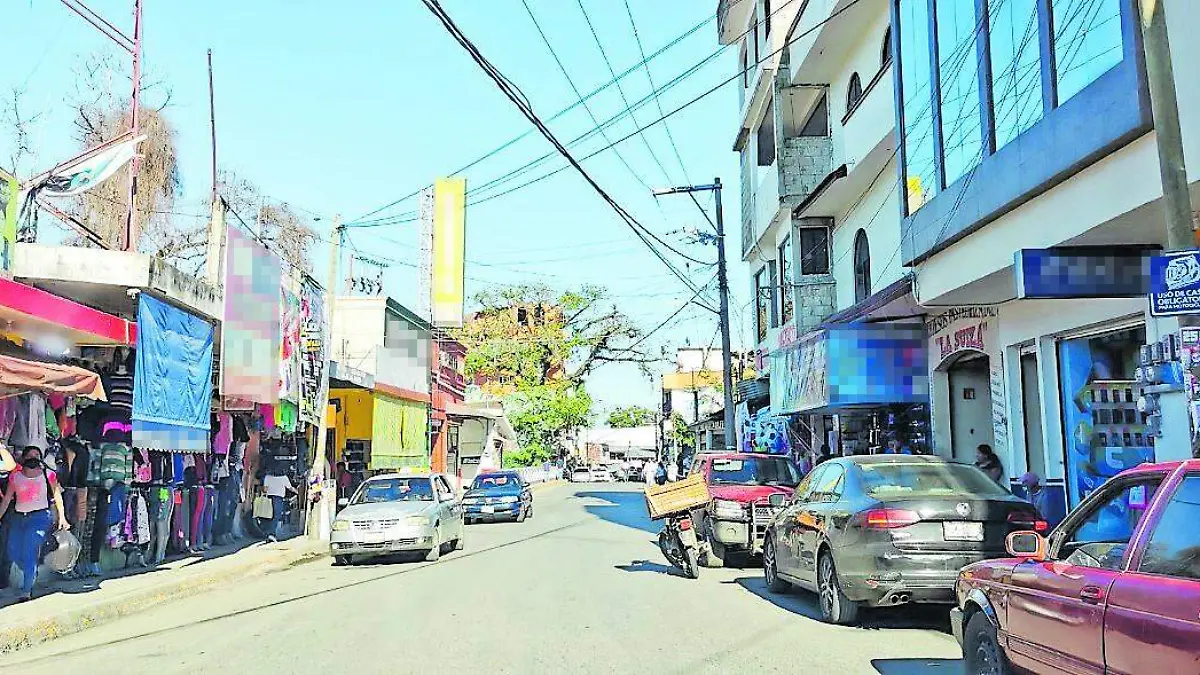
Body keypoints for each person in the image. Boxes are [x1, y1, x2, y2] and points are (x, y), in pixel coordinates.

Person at [0, 446, 69, 602]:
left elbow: (58, 497)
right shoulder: (15, 477)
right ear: (23, 458)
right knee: (12, 551)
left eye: (37, 455)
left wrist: (62, 517)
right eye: (30, 455)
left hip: (39, 518)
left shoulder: (48, 474)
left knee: (29, 551)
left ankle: (26, 590)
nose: (34, 458)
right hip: (18, 518)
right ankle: (30, 572)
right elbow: (6, 500)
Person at [262, 466, 295, 543]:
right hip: (279, 498)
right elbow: (290, 488)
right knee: (276, 516)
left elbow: (265, 489)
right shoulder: (284, 477)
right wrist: (297, 492)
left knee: (268, 516)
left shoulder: (267, 477)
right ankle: (271, 534)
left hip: (269, 498)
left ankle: (268, 533)